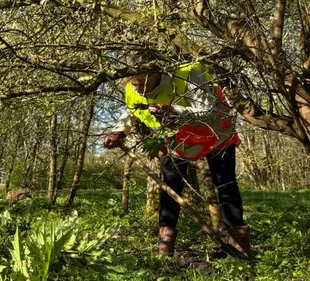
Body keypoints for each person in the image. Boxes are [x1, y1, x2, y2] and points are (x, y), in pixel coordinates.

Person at [103, 56, 251, 258]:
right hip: (176, 140)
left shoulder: (189, 74)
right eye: (133, 84)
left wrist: (175, 112)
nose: (136, 89)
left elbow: (210, 111)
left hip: (215, 134)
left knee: (225, 185)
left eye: (140, 84)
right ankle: (164, 252)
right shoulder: (132, 88)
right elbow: (131, 110)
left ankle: (239, 249)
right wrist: (118, 131)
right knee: (170, 188)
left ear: (154, 73)